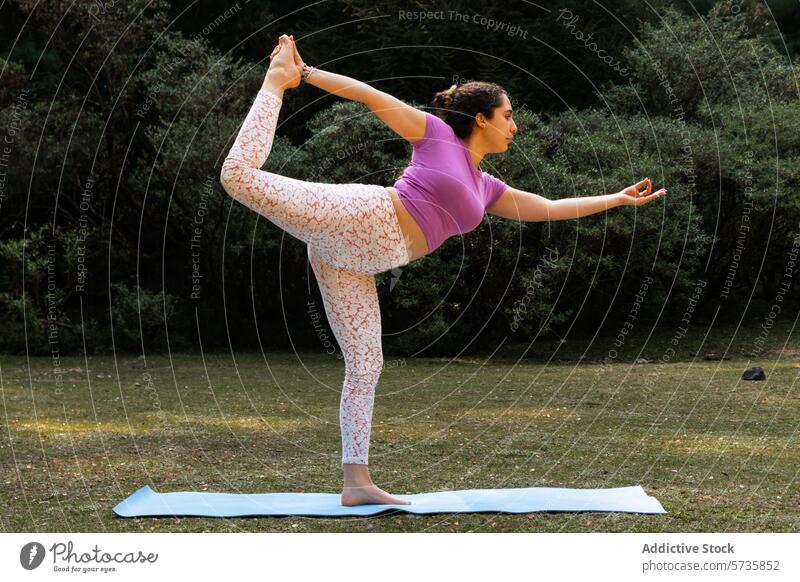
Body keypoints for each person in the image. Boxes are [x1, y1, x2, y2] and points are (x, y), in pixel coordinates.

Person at [220, 35, 667, 507]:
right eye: (508, 115)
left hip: (353, 261)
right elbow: (370, 95)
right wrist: (303, 74)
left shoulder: (487, 186)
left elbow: (550, 207)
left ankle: (356, 482)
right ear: (481, 118)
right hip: (362, 216)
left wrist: (615, 199)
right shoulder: (436, 135)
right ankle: (275, 81)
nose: (515, 125)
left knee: (367, 364)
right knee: (237, 176)